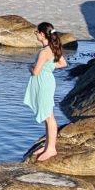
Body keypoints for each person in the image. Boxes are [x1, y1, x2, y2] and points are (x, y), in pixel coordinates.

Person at [24, 21, 67, 161]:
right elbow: (62, 64)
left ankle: (51, 149)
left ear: (42, 34)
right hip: (48, 81)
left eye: (36, 32)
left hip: (43, 83)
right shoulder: (53, 48)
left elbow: (35, 72)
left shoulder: (44, 52)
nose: (35, 34)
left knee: (49, 117)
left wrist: (30, 67)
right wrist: (48, 68)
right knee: (47, 115)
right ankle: (48, 145)